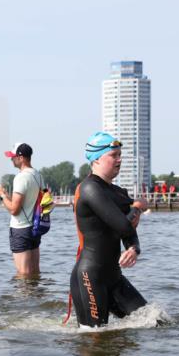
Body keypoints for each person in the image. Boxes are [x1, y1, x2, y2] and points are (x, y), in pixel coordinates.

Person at [68, 131, 147, 327]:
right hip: (90, 276)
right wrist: (137, 206)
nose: (119, 160)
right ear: (96, 159)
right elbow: (123, 225)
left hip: (114, 276)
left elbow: (128, 232)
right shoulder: (89, 189)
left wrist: (133, 248)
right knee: (94, 339)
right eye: (114, 155)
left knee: (155, 323)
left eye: (120, 155)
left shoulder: (118, 192)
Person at [0, 142, 43, 278]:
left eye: (13, 157)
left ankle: (23, 299)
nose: (11, 159)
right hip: (35, 228)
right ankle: (37, 298)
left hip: (21, 229)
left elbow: (15, 210)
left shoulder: (21, 177)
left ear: (21, 158)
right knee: (35, 272)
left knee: (24, 274)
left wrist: (1, 196)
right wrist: (5, 194)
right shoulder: (37, 175)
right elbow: (27, 203)